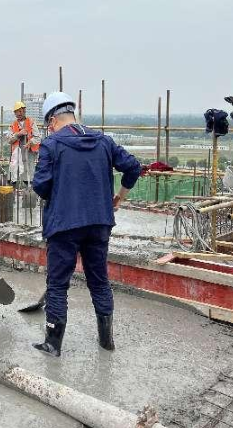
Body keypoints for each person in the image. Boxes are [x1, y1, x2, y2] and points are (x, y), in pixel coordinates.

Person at [31, 92, 141, 357]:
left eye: (49, 125)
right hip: (99, 223)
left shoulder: (51, 144)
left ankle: (53, 344)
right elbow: (133, 167)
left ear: (52, 120)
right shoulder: (103, 140)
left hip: (64, 225)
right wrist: (119, 197)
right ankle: (106, 340)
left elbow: (40, 186)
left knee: (58, 284)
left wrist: (61, 192)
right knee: (99, 281)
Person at [8, 101, 41, 188]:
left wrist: (30, 142)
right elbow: (9, 140)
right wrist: (18, 134)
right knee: (15, 171)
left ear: (24, 111)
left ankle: (29, 191)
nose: (19, 113)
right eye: (17, 112)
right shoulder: (13, 124)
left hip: (28, 152)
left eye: (20, 111)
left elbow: (38, 137)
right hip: (17, 153)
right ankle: (16, 190)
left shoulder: (31, 122)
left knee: (29, 172)